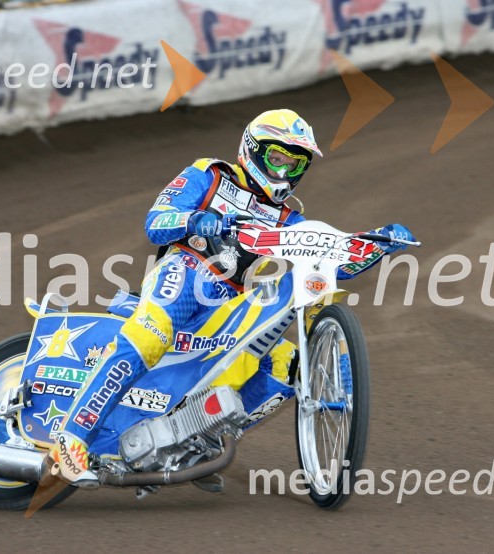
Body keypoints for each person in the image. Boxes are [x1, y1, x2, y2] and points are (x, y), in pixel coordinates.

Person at [44, 109, 415, 487]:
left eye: (295, 164)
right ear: (253, 150)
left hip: (230, 304)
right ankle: (71, 438)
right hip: (185, 275)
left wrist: (374, 246)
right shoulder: (211, 174)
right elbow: (155, 222)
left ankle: (196, 440)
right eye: (277, 159)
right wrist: (194, 220)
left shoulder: (287, 219)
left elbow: (329, 262)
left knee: (288, 365)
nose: (284, 173)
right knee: (150, 334)